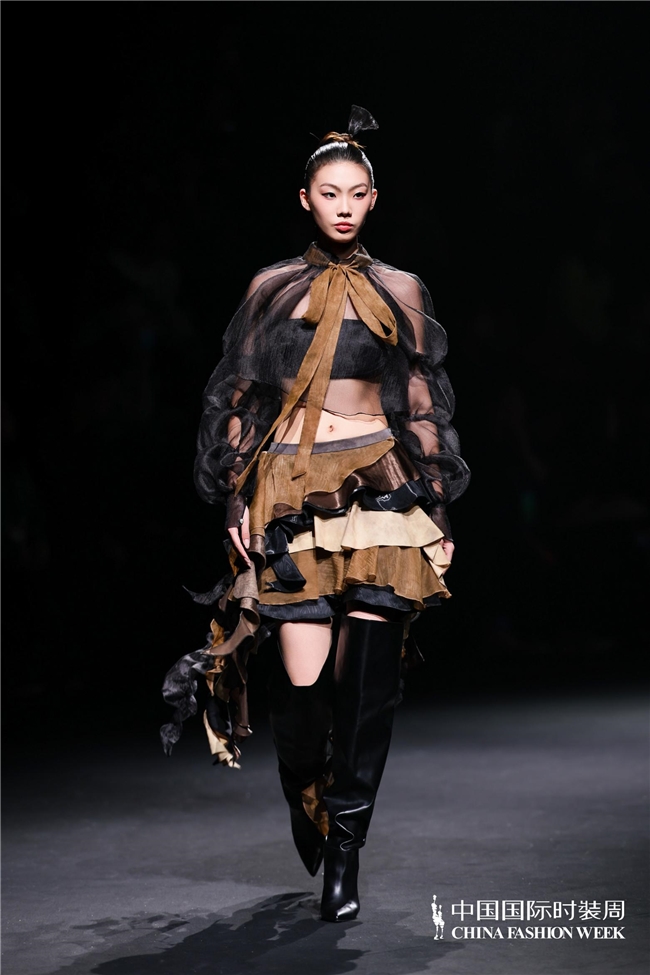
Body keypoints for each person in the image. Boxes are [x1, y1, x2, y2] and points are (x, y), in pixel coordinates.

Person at [161, 106, 470, 922]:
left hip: (380, 486)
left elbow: (421, 404)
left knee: (368, 682)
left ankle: (346, 851)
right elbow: (240, 396)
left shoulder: (401, 289)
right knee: (302, 690)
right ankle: (304, 785)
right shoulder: (272, 288)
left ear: (374, 199)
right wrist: (236, 491)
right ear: (305, 198)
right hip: (292, 489)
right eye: (329, 193)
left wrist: (436, 509)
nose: (343, 207)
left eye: (356, 194)